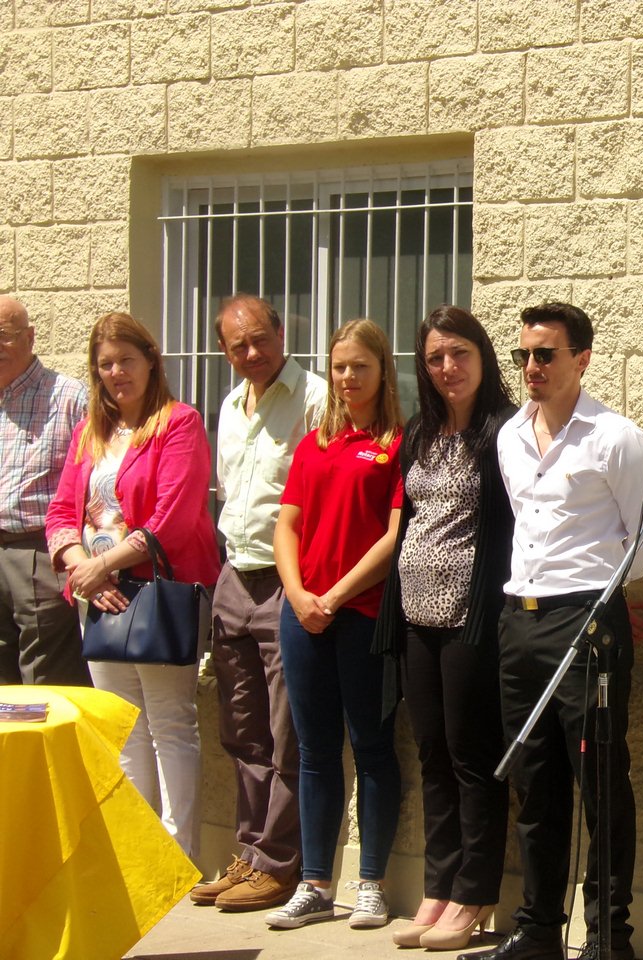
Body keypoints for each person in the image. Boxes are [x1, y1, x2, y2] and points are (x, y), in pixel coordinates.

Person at [462, 303, 643, 960]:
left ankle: (610, 938)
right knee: (534, 781)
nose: (532, 368)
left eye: (546, 354)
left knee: (601, 782)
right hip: (520, 622)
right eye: (524, 355)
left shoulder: (616, 437)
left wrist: (606, 597)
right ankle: (538, 930)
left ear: (582, 358)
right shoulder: (510, 436)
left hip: (587, 624)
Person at [46, 311, 221, 858]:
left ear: (150, 360)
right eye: (105, 364)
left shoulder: (179, 422)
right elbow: (59, 513)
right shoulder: (90, 433)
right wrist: (83, 568)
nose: (116, 371)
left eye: (126, 359)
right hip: (97, 600)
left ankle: (176, 855)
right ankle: (137, 852)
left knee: (170, 725)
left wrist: (107, 565)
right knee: (124, 728)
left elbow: (173, 514)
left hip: (157, 594)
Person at [374, 305, 515, 951]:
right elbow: (408, 524)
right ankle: (439, 883)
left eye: (459, 353)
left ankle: (475, 894)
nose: (448, 367)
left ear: (481, 357)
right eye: (435, 358)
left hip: (471, 620)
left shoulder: (505, 434)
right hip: (415, 619)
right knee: (431, 753)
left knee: (472, 758)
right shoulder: (418, 434)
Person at [265, 318, 404, 932]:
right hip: (305, 617)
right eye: (339, 366)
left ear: (383, 371)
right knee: (316, 753)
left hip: (364, 616)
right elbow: (286, 526)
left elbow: (396, 536)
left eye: (360, 367)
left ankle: (369, 883)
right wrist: (299, 596)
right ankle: (316, 883)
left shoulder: (400, 441)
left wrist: (337, 595)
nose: (348, 378)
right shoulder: (313, 443)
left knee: (373, 749)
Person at [190, 295, 327, 912]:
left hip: (284, 582)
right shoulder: (229, 403)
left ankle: (278, 864)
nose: (252, 353)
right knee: (241, 732)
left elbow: (325, 502)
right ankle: (248, 855)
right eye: (237, 346)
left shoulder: (316, 399)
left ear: (280, 332)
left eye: (260, 339)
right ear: (224, 350)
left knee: (284, 733)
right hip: (234, 579)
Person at [0, 295, 89, 686]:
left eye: (3, 336)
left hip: (40, 552)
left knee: (47, 683)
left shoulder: (69, 397)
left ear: (30, 337)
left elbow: (95, 486)